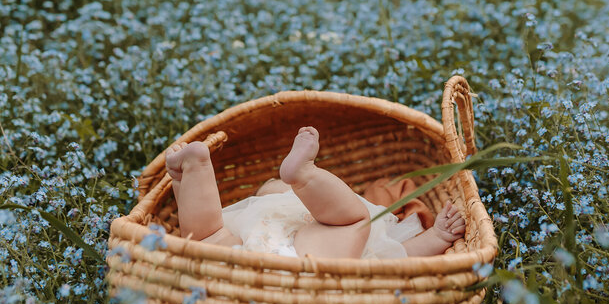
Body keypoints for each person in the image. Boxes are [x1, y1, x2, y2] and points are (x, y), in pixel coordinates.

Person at [165, 126, 466, 259]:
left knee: (206, 238)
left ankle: (193, 171)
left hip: (242, 263)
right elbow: (402, 256)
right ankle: (305, 175)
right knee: (354, 220)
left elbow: (201, 230)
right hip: (305, 264)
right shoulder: (326, 230)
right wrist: (437, 237)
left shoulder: (248, 227)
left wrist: (181, 184)